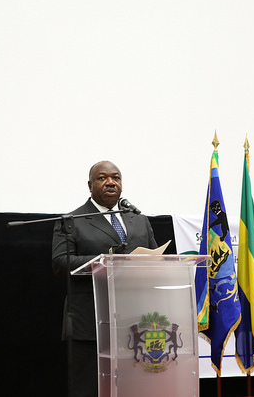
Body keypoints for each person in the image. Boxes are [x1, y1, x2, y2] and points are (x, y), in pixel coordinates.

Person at [52, 160, 158, 397]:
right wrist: (105, 260)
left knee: (133, 387)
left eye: (116, 178)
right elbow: (60, 263)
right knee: (89, 388)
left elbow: (155, 260)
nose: (110, 182)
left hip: (135, 321)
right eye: (102, 178)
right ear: (90, 185)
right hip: (90, 322)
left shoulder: (139, 220)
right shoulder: (72, 220)